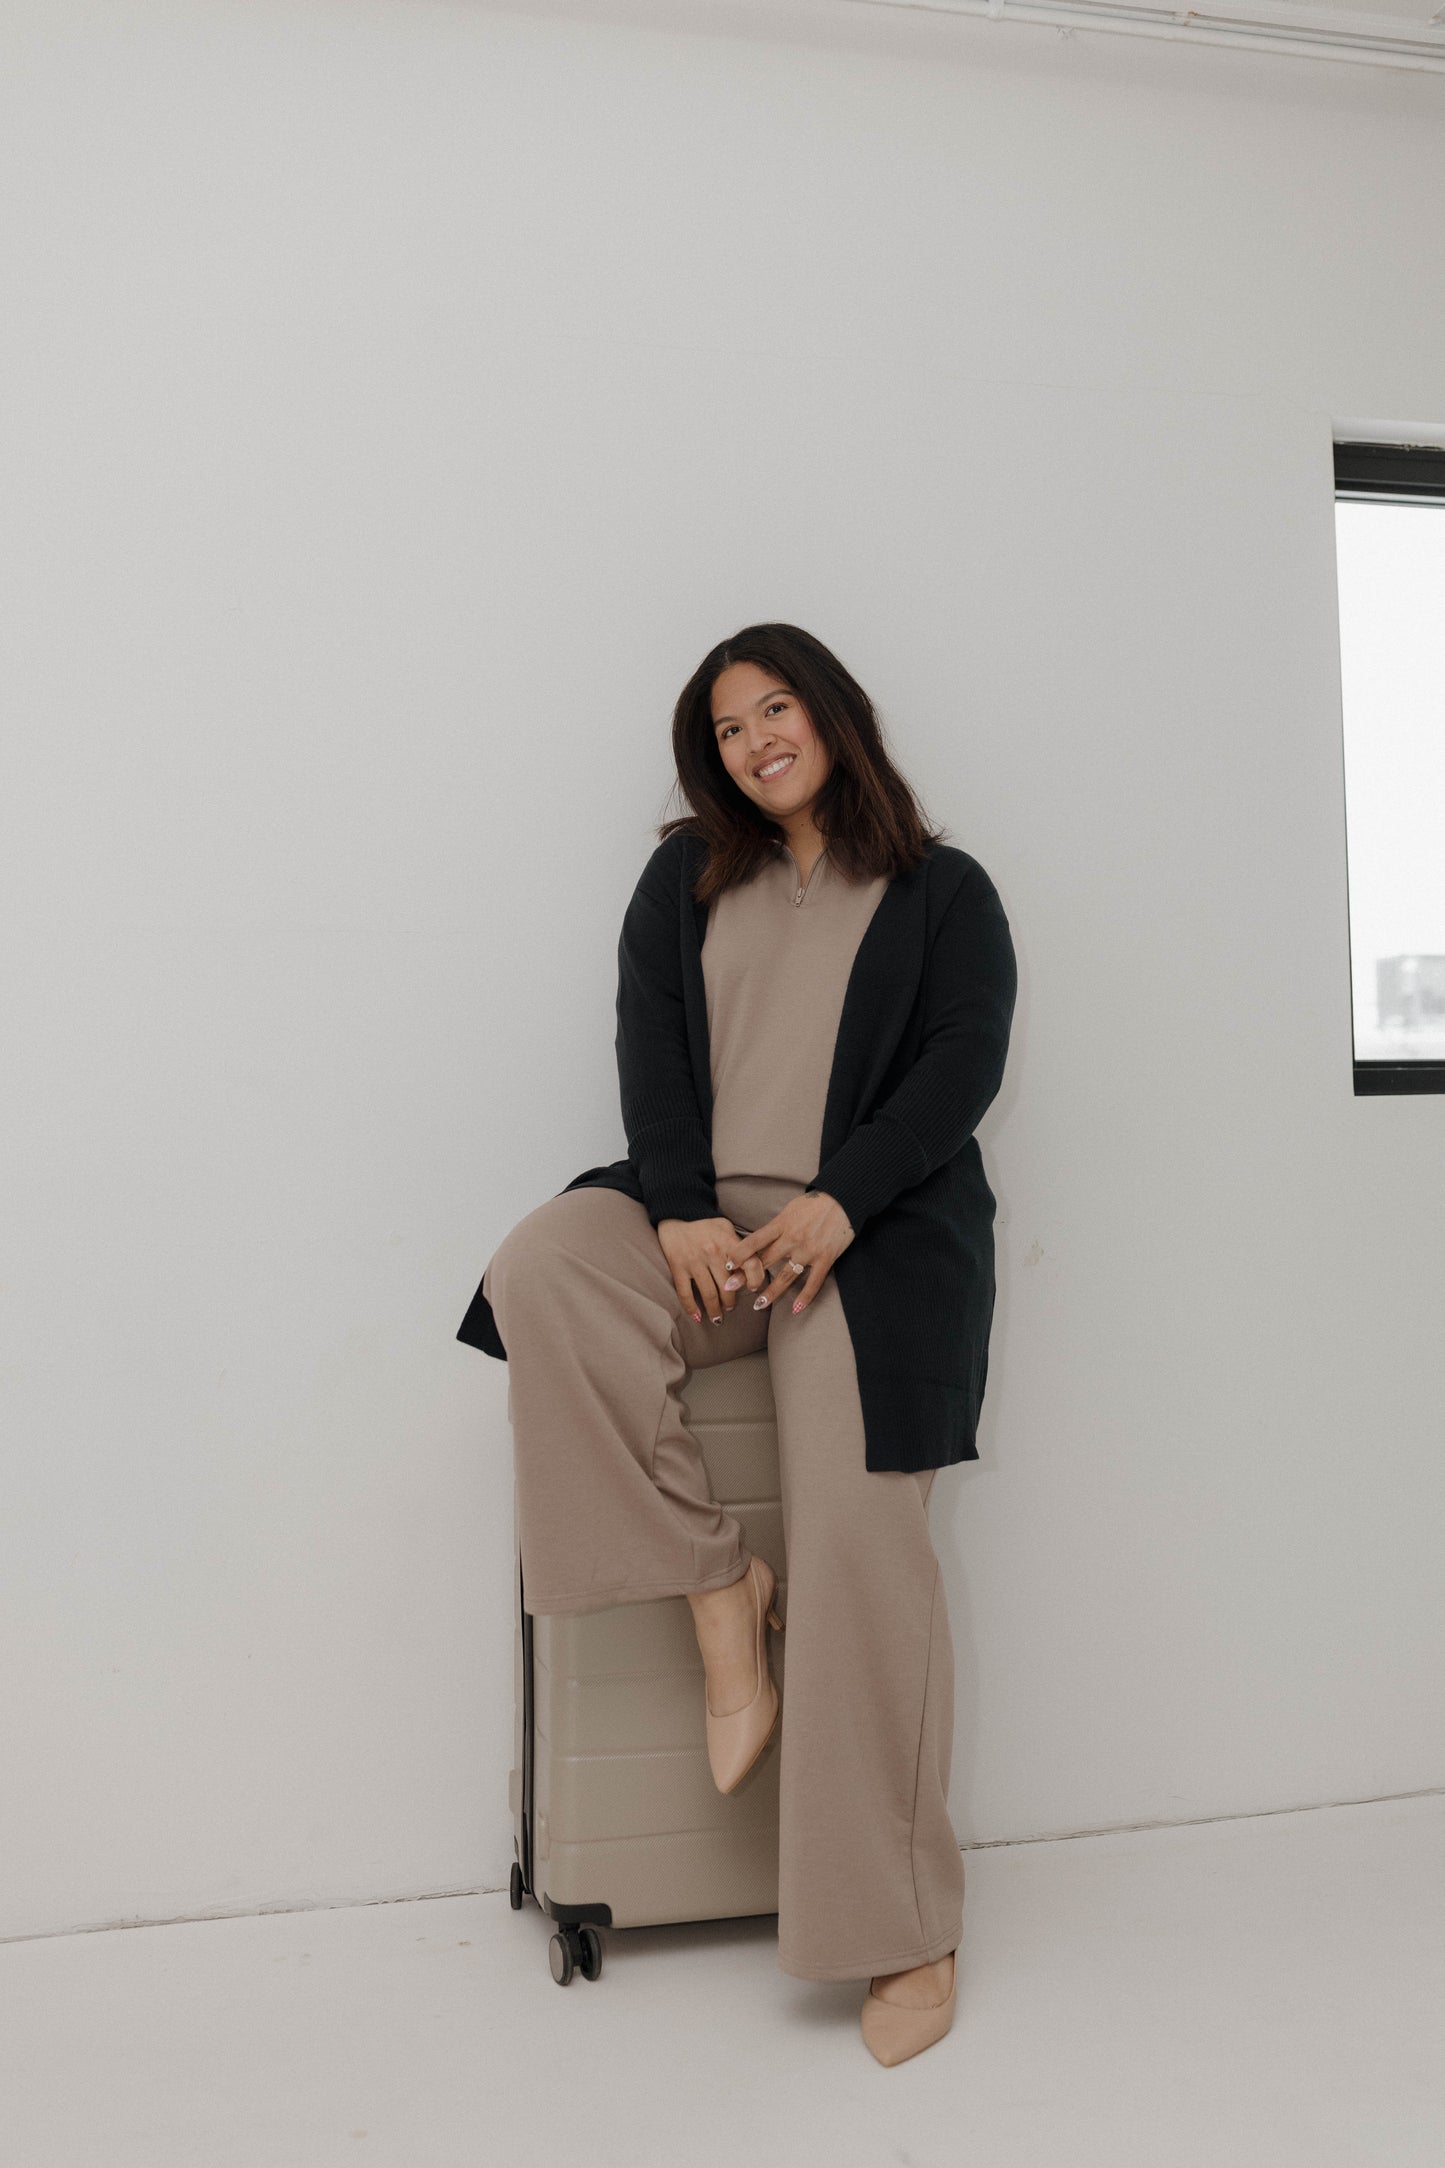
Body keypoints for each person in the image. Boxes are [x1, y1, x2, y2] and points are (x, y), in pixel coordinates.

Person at [458, 622, 1018, 2065]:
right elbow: (648, 1049)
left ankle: (901, 1925)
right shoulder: (683, 879)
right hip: (708, 1230)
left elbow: (962, 1063)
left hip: (866, 1243)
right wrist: (680, 1209)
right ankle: (718, 1588)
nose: (755, 739)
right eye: (726, 727)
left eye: (776, 708)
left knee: (860, 1546)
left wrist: (841, 1200)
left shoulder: (945, 891)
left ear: (833, 715)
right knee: (543, 1272)